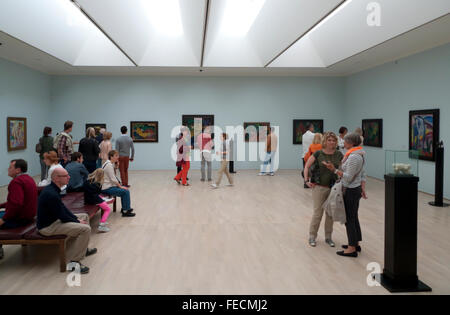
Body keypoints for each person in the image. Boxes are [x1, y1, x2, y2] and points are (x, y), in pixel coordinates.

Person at [37, 168, 97, 274]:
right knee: (85, 229)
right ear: (56, 178)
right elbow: (62, 216)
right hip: (48, 227)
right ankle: (74, 263)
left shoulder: (54, 189)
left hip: (55, 220)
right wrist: (77, 222)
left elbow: (63, 210)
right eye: (65, 176)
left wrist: (77, 219)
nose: (69, 177)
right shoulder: (51, 194)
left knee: (84, 216)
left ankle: (83, 250)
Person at [323, 133, 367, 258]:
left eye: (346, 142)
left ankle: (351, 248)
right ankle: (355, 243)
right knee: (354, 217)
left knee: (350, 219)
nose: (343, 143)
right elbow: (362, 174)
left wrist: (334, 170)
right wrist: (362, 187)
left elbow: (348, 177)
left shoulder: (354, 157)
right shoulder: (359, 154)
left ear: (352, 143)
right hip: (355, 189)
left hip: (351, 190)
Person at [304, 131, 343, 248]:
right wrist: (306, 180)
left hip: (334, 188)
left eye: (334, 140)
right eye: (329, 140)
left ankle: (328, 237)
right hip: (319, 188)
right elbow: (306, 166)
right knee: (318, 213)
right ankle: (312, 236)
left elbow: (342, 170)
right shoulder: (318, 153)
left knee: (330, 214)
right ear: (324, 141)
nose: (331, 142)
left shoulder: (339, 154)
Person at [0, 160, 37, 259]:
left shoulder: (16, 182)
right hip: (29, 216)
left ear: (18, 170)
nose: (8, 169)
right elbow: (15, 201)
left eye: (10, 167)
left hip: (19, 219)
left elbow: (16, 204)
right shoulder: (29, 178)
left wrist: (3, 219)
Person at [101, 150, 135, 217]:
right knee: (125, 191)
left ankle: (125, 208)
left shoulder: (108, 163)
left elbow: (112, 176)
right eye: (116, 156)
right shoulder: (109, 165)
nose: (118, 157)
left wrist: (116, 167)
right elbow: (113, 179)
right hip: (107, 188)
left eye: (118, 155)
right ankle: (125, 211)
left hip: (108, 186)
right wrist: (120, 186)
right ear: (111, 157)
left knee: (124, 190)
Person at [84, 169, 111, 233]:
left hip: (87, 199)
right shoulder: (98, 183)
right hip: (95, 200)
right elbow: (98, 193)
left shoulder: (87, 181)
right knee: (107, 209)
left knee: (103, 202)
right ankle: (102, 225)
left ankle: (103, 221)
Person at [302, 124, 315, 188]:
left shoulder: (303, 135)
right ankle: (312, 184)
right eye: (313, 127)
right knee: (312, 170)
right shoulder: (313, 135)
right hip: (311, 155)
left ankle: (305, 183)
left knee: (305, 169)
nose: (313, 128)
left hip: (304, 155)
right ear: (310, 128)